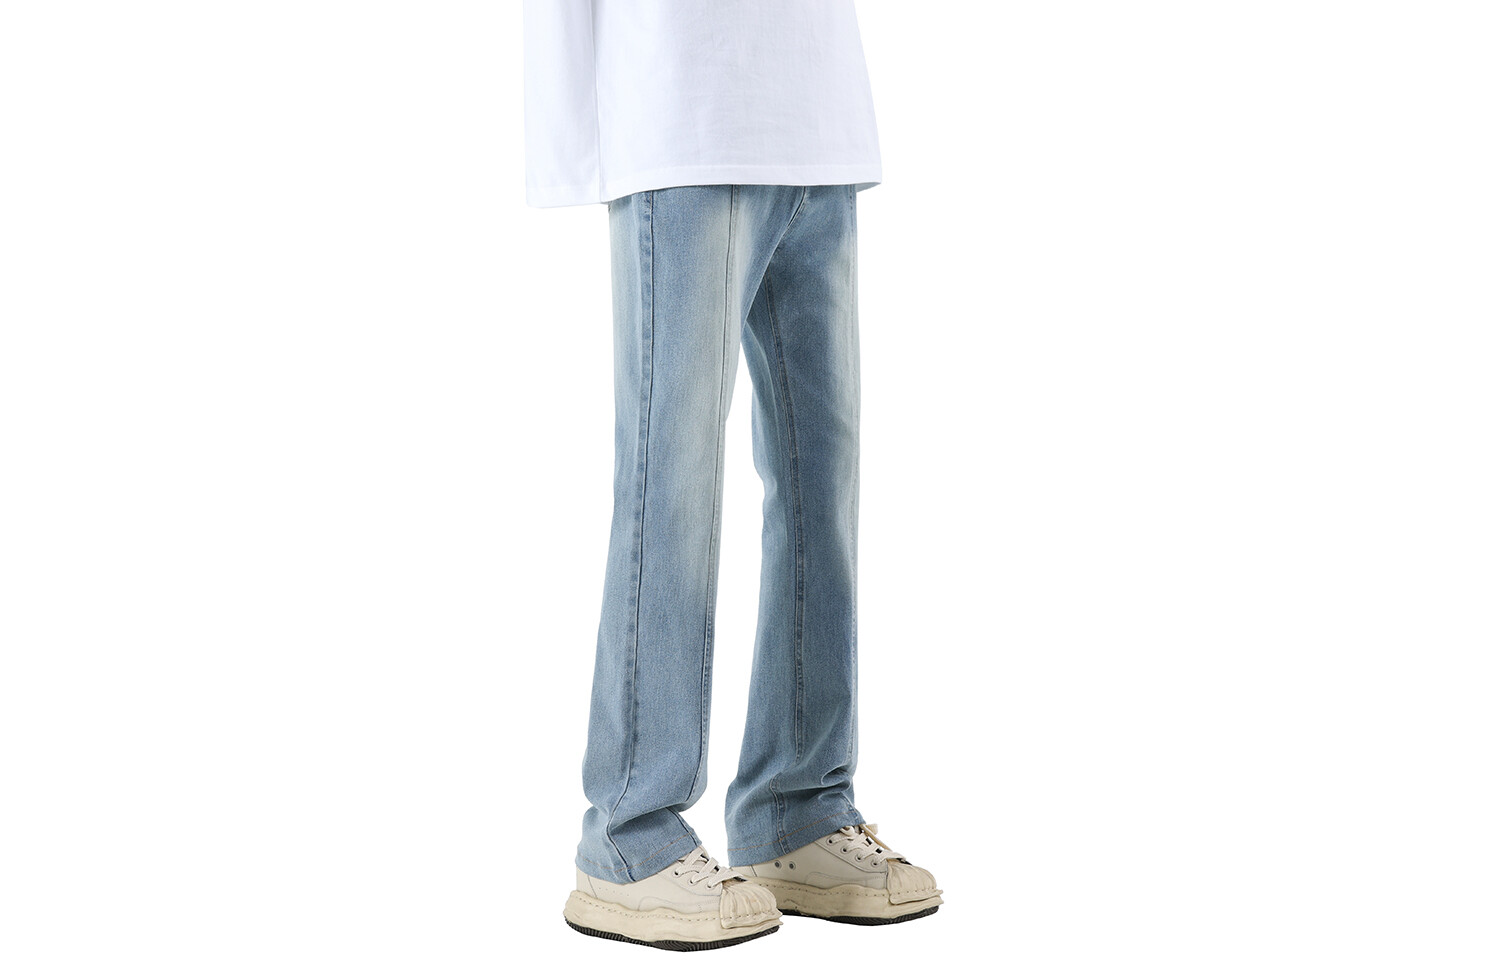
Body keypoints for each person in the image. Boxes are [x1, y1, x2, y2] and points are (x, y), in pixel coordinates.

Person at [523, 1, 942, 948]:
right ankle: (628, 832)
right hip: (681, 118)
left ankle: (800, 807)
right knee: (670, 485)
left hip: (818, 120)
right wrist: (569, 143)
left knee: (821, 483)